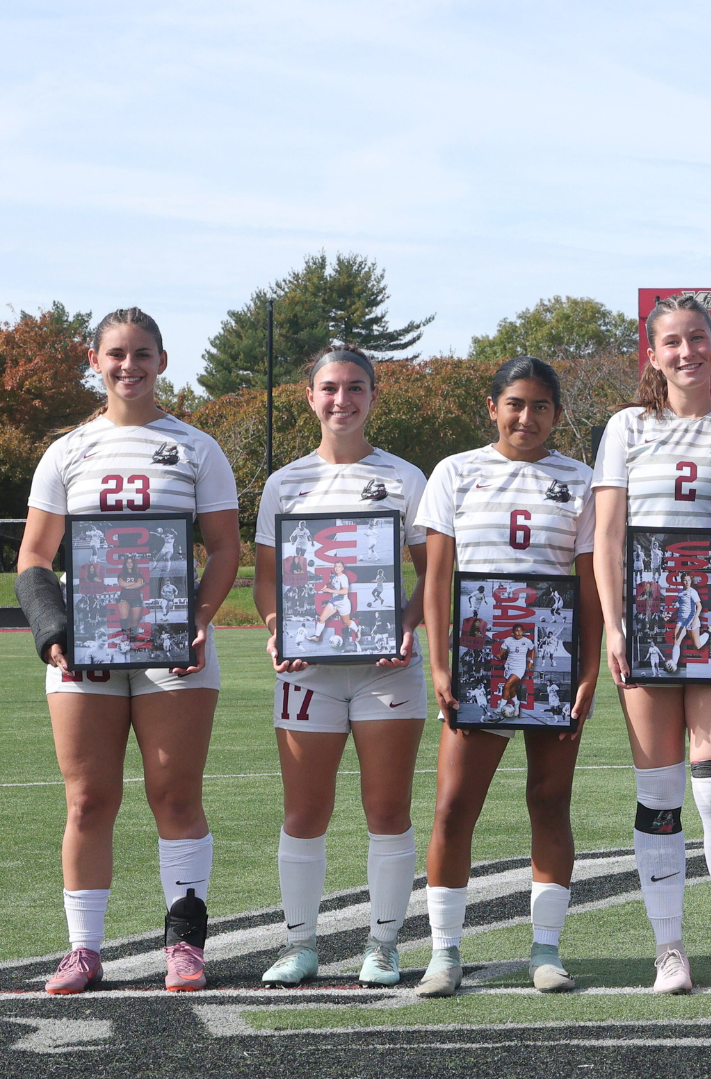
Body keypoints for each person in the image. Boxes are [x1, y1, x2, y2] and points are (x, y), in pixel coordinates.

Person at [14, 308, 240, 993]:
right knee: (88, 800)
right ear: (94, 359)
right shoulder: (66, 451)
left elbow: (226, 547)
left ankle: (184, 941)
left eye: (142, 353)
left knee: (174, 795)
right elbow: (33, 555)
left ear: (162, 361)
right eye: (116, 353)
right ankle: (83, 949)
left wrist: (200, 618)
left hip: (173, 646)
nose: (128, 366)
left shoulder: (197, 448)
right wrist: (54, 630)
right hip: (90, 649)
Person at [592, 294, 711, 995]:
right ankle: (669, 950)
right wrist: (615, 623)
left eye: (697, 339)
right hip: (647, 619)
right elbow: (609, 536)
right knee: (659, 793)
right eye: (672, 342)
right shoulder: (627, 427)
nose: (687, 352)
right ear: (653, 353)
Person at [415, 356, 603, 997]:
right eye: (515, 404)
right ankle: (444, 952)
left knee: (550, 801)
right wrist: (441, 662)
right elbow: (438, 578)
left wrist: (587, 670)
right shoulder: (456, 472)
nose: (527, 417)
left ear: (558, 413)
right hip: (479, 654)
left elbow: (589, 588)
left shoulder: (580, 481)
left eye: (542, 406)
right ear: (493, 407)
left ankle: (546, 950)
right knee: (452, 807)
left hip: (549, 652)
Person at [250, 348, 431, 988]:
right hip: (308, 669)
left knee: (386, 808)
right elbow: (266, 585)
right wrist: (278, 632)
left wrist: (407, 623)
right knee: (305, 811)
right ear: (310, 396)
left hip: (386, 668)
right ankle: (301, 946)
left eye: (355, 388)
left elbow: (433, 574)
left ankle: (383, 946)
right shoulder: (284, 483)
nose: (342, 400)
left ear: (373, 396)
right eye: (330, 388)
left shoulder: (408, 479)